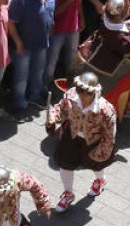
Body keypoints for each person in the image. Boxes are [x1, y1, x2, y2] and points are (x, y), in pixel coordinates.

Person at [46, 72, 116, 214]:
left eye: (87, 93)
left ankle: (100, 180)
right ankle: (68, 193)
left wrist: (101, 152)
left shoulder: (106, 110)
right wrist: (53, 117)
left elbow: (110, 135)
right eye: (80, 91)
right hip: (71, 136)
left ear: (94, 93)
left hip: (92, 142)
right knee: (65, 165)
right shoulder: (71, 95)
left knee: (96, 165)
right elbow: (61, 108)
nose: (82, 96)